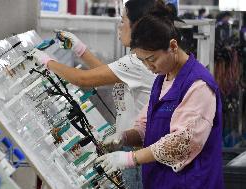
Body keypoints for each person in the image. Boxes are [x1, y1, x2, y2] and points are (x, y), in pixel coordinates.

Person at [96, 1, 224, 189]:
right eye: (143, 61)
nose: (149, 67)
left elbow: (182, 142)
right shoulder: (161, 79)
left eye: (152, 59)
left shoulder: (198, 84)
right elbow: (147, 128)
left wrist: (131, 158)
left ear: (172, 46)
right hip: (160, 182)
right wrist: (122, 138)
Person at [33, 0, 157, 188]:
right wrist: (79, 49)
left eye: (123, 21)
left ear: (138, 26)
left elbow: (83, 79)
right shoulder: (141, 60)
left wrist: (47, 61)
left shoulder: (137, 62)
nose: (119, 26)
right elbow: (107, 74)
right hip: (131, 145)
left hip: (135, 149)